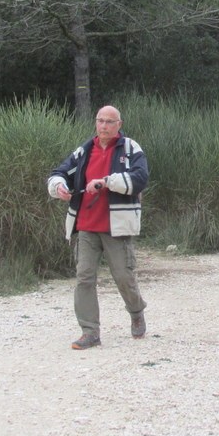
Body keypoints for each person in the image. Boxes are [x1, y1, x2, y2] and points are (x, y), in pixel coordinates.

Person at [47, 105, 149, 350]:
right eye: (100, 120)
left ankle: (136, 312)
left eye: (109, 122)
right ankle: (89, 331)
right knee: (84, 277)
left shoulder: (130, 149)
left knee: (123, 277)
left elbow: (140, 178)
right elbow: (59, 172)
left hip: (116, 227)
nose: (104, 126)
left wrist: (106, 182)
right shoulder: (84, 150)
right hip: (86, 225)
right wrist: (58, 186)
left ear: (119, 125)